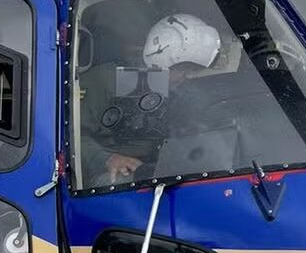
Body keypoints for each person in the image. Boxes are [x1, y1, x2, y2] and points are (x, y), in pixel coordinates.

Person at [80, 13, 222, 185]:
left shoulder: (184, 92)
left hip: (165, 168)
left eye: (191, 70)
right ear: (161, 57)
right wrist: (107, 159)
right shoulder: (105, 80)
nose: (186, 76)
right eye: (182, 68)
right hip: (112, 173)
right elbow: (73, 137)